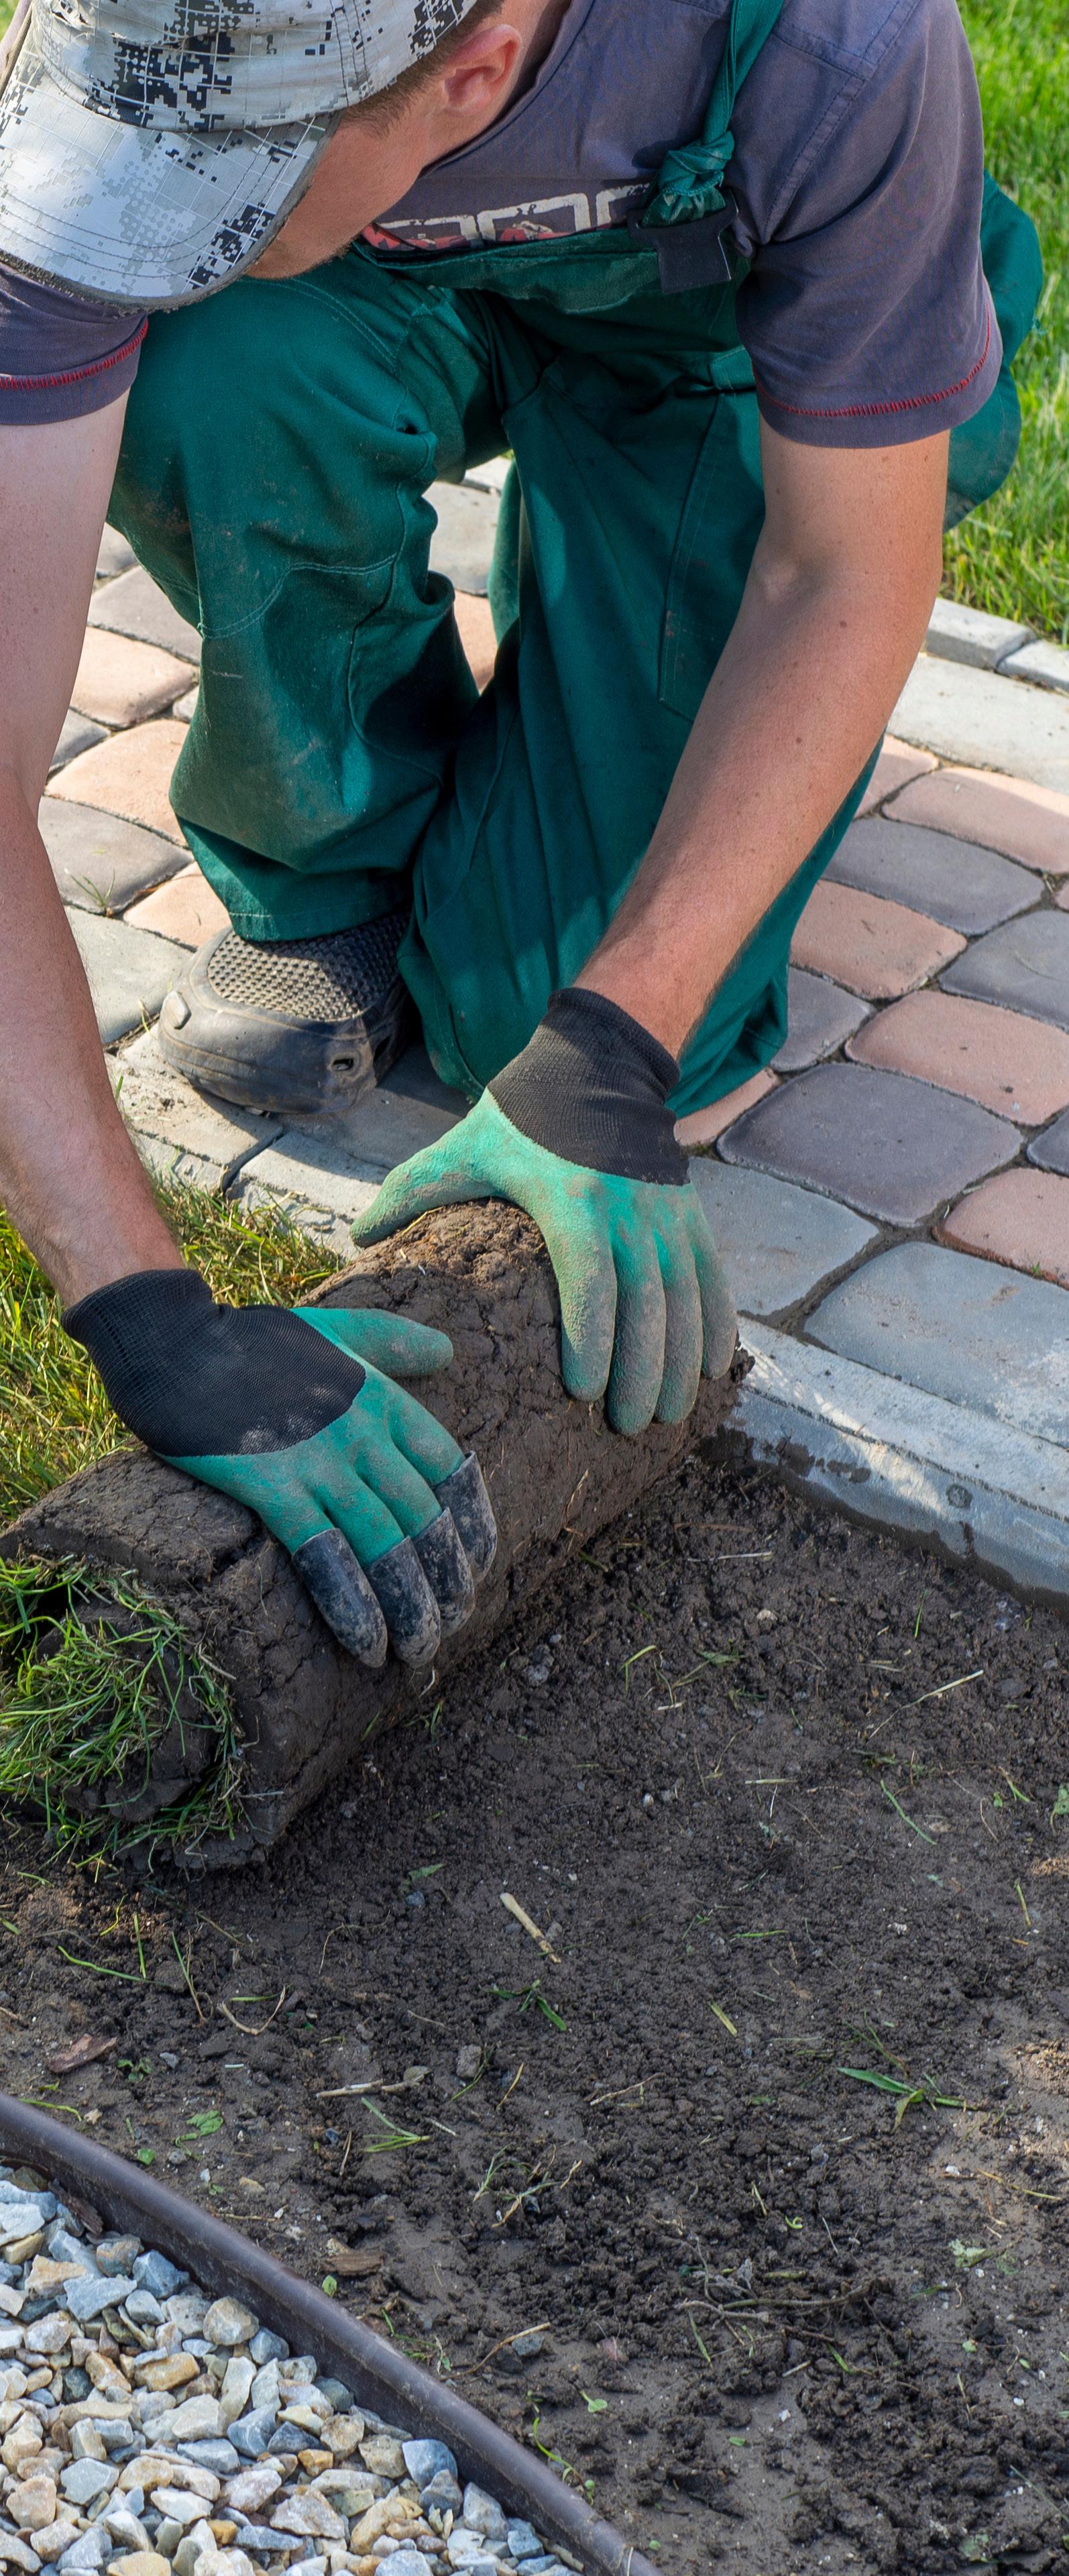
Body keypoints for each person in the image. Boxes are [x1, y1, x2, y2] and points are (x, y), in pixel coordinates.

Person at [0, 0, 1039, 1667]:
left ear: (478, 66)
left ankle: (609, 599)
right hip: (369, 293)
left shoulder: (833, 47)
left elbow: (844, 570)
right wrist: (141, 1308)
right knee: (203, 357)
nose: (153, 207)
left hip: (719, 344)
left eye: (225, 176)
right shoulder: (129, 81)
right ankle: (331, 869)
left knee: (537, 1021)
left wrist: (613, 1042)